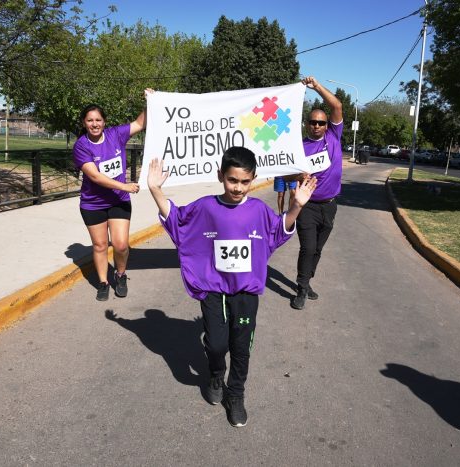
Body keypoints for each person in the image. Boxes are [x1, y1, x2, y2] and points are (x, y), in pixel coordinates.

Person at [147, 147, 317, 427]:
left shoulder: (259, 210)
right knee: (215, 345)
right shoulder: (205, 207)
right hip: (214, 290)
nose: (238, 187)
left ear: (253, 179)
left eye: (244, 181)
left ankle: (235, 395)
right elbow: (178, 221)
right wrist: (155, 189)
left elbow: (278, 231)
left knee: (241, 347)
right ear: (220, 176)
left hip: (246, 293)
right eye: (232, 180)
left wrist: (296, 206)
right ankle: (216, 372)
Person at [72, 90, 152, 301]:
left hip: (118, 201)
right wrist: (124, 186)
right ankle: (103, 282)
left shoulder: (116, 135)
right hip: (93, 204)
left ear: (104, 122)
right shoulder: (81, 145)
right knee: (99, 245)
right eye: (90, 120)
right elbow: (96, 177)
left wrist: (150, 101)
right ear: (84, 123)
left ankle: (120, 274)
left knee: (120, 244)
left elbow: (140, 123)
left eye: (98, 119)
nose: (94, 124)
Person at [290, 76, 343, 310]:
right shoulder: (298, 147)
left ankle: (307, 281)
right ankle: (301, 288)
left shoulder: (334, 136)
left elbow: (337, 106)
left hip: (330, 205)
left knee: (318, 249)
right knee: (308, 248)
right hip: (307, 206)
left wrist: (317, 87)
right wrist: (297, 177)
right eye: (313, 122)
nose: (317, 126)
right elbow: (283, 175)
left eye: (321, 123)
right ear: (307, 124)